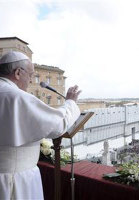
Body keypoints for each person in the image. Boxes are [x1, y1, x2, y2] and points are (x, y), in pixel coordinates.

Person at [0, 51, 81, 199]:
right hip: (14, 180)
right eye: (30, 75)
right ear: (18, 72)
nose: (31, 81)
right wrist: (70, 102)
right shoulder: (17, 97)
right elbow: (58, 124)